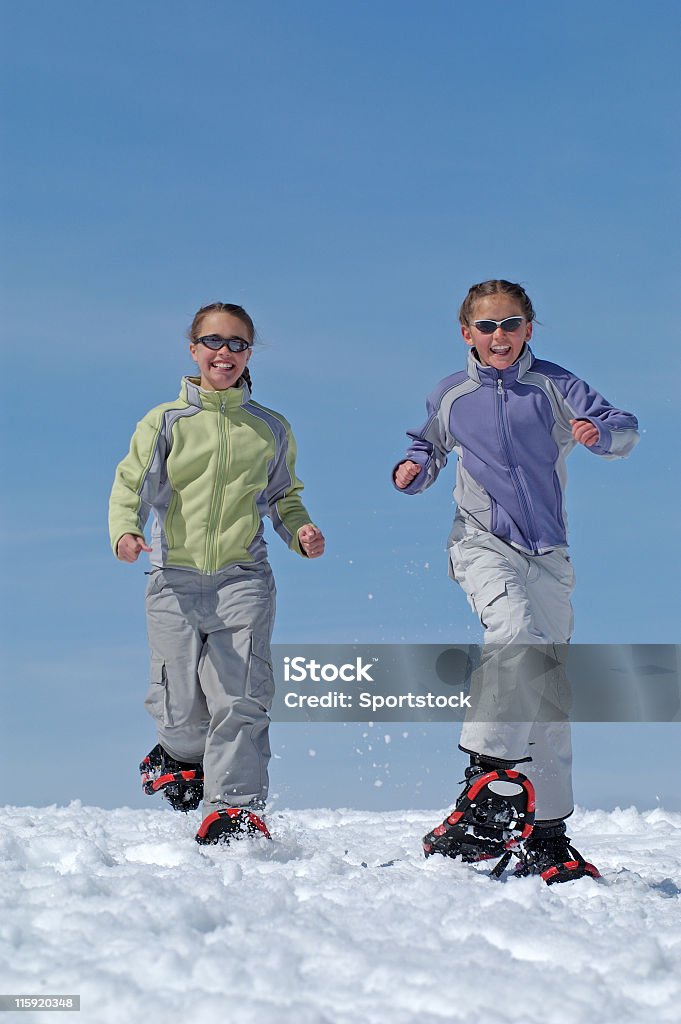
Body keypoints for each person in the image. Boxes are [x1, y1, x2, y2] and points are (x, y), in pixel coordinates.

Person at [394, 280, 639, 883]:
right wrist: (416, 468)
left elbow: (622, 426)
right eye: (487, 326)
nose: (498, 336)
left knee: (549, 687)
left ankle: (547, 832)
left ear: (529, 328)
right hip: (481, 540)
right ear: (466, 334)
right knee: (515, 632)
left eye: (511, 324)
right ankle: (488, 779)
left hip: (548, 555)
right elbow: (428, 441)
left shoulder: (554, 386)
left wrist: (598, 434)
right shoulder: (453, 395)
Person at [109, 302, 325, 845]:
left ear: (249, 353)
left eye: (236, 344)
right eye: (214, 341)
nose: (224, 353)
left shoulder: (270, 428)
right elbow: (131, 482)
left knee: (240, 696)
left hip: (242, 578)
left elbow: (283, 498)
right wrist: (125, 530)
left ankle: (234, 808)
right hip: (173, 580)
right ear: (193, 349)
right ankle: (181, 759)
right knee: (179, 708)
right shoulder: (165, 421)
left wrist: (300, 533)